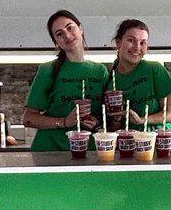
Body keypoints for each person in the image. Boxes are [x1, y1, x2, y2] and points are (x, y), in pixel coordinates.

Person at [23, 10, 108, 151]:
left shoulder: (100, 71)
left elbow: (104, 113)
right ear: (56, 42)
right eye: (59, 34)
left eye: (70, 28)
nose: (67, 36)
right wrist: (64, 121)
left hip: (89, 151)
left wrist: (97, 122)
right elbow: (28, 118)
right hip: (51, 152)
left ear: (81, 28)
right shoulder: (48, 70)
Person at [107, 19, 171, 131]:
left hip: (161, 138)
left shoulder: (155, 69)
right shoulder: (111, 83)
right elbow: (113, 128)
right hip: (131, 141)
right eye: (131, 40)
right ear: (118, 42)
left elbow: (170, 114)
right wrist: (117, 118)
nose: (137, 47)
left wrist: (141, 120)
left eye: (142, 42)